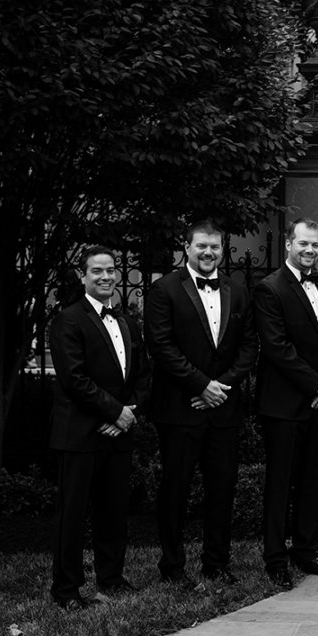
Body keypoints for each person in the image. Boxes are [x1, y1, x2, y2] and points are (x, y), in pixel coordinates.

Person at [145, 219, 258, 586]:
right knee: (175, 488)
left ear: (222, 250)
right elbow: (161, 346)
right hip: (180, 408)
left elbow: (248, 347)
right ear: (187, 248)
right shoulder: (164, 289)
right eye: (201, 246)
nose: (208, 252)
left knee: (222, 487)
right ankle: (172, 567)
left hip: (223, 409)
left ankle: (217, 563)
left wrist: (219, 387)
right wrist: (200, 384)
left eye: (214, 247)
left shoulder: (237, 290)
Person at [48, 245, 150, 610]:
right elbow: (74, 380)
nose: (106, 277)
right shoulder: (67, 320)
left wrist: (128, 413)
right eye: (97, 271)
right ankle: (66, 591)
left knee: (113, 511)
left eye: (110, 271)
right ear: (82, 275)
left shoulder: (127, 321)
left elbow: (141, 375)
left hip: (118, 434)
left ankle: (112, 578)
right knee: (72, 516)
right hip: (80, 434)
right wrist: (114, 413)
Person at [253, 218, 318, 589]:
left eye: (315, 245)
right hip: (283, 405)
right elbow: (277, 348)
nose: (310, 251)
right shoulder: (269, 289)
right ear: (288, 245)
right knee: (280, 484)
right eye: (303, 244)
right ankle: (275, 558)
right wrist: (316, 384)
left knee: (312, 482)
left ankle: (307, 551)